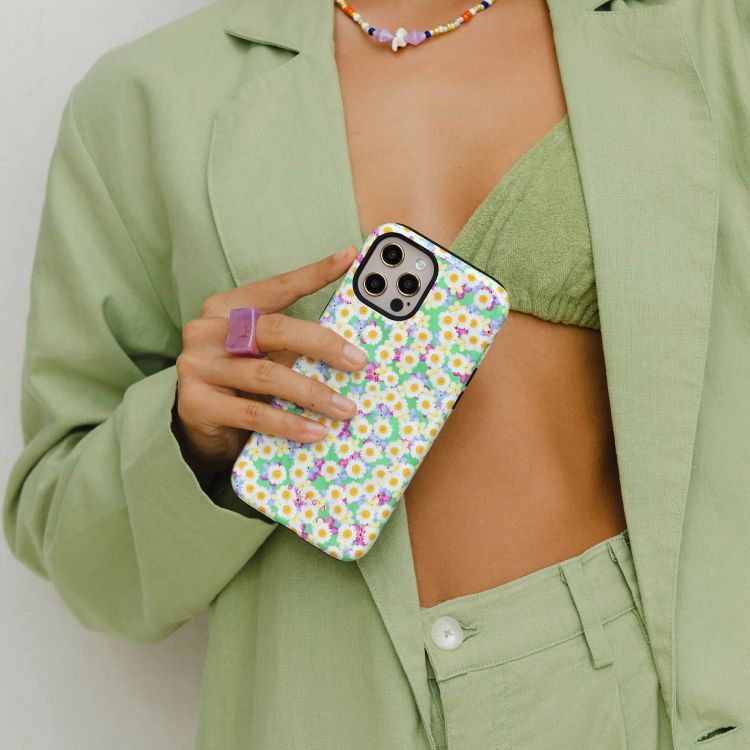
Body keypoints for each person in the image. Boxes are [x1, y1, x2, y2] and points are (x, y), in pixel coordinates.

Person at [4, 0, 749, 747]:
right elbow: (78, 551)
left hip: (654, 693)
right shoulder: (143, 102)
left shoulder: (709, 28)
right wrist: (190, 434)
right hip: (324, 708)